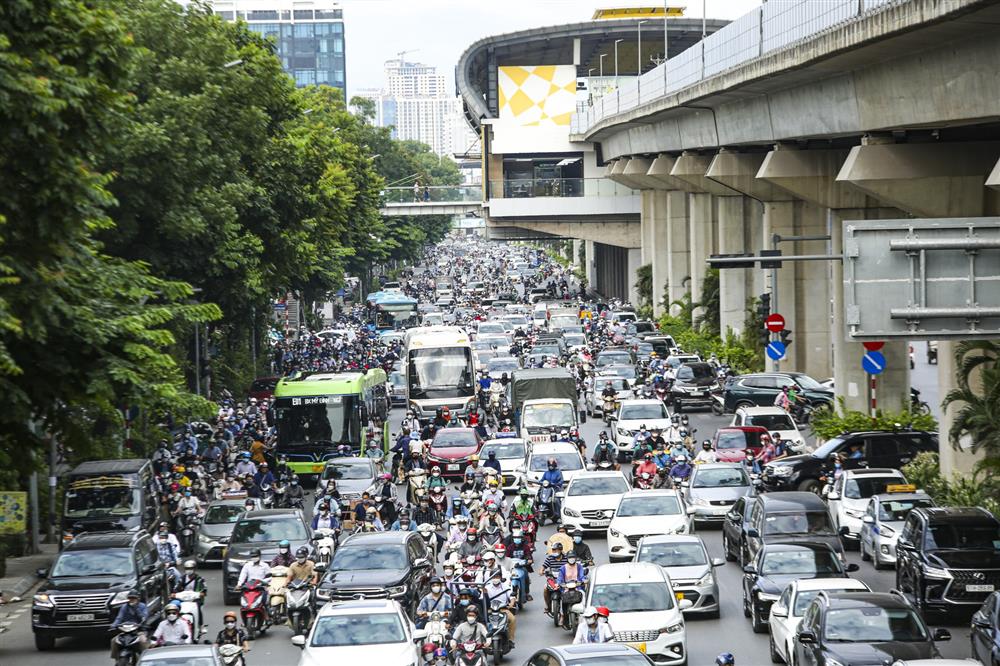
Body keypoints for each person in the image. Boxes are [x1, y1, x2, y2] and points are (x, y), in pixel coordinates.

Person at [110, 589, 149, 660]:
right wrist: (114, 625)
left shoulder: (142, 606)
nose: (132, 600)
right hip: (126, 630)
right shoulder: (124, 607)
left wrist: (136, 609)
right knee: (114, 641)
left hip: (138, 630)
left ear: (138, 599)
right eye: (130, 598)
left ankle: (145, 659)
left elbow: (144, 617)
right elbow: (119, 617)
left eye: (134, 598)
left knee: (143, 641)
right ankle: (116, 658)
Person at [482, 568, 517, 645]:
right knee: (482, 621)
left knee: (512, 619)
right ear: (491, 578)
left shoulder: (505, 586)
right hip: (490, 610)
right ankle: (484, 639)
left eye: (497, 577)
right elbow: (481, 599)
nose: (495, 579)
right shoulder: (486, 588)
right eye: (494, 577)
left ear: (501, 577)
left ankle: (510, 640)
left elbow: (511, 597)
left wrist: (511, 603)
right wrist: (484, 594)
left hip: (503, 609)